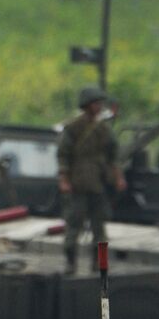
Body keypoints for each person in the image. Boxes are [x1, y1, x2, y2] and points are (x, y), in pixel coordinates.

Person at [56, 86, 126, 273]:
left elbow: (113, 155)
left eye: (100, 103)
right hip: (78, 183)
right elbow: (63, 155)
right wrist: (64, 179)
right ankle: (71, 263)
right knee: (73, 226)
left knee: (99, 229)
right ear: (87, 105)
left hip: (99, 182)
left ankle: (100, 263)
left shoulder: (104, 128)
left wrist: (118, 177)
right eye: (96, 103)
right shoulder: (73, 128)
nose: (99, 106)